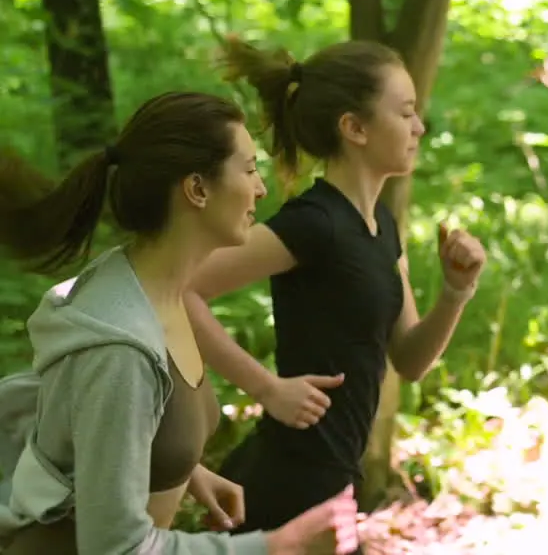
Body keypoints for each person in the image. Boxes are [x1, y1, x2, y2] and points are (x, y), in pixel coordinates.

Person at [0, 91, 360, 554]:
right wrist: (276, 546)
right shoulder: (120, 348)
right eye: (249, 169)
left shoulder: (151, 288)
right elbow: (118, 548)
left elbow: (109, 427)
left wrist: (183, 470)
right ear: (197, 189)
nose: (261, 188)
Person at [181, 38, 486, 543]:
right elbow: (182, 287)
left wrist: (456, 292)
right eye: (405, 113)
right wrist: (265, 388)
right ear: (354, 127)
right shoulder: (314, 223)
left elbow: (410, 359)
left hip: (334, 477)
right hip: (289, 477)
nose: (419, 127)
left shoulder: (382, 226)